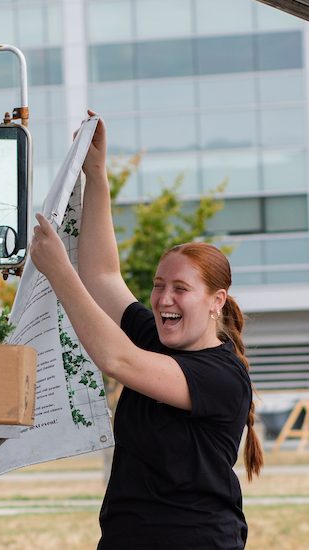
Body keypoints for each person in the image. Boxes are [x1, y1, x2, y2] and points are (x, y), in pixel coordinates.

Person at [28, 111, 263, 549]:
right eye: (158, 286)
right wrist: (96, 175)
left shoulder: (222, 375)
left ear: (217, 301)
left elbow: (116, 359)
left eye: (180, 289)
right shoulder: (155, 339)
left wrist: (59, 274)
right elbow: (102, 276)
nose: (163, 299)